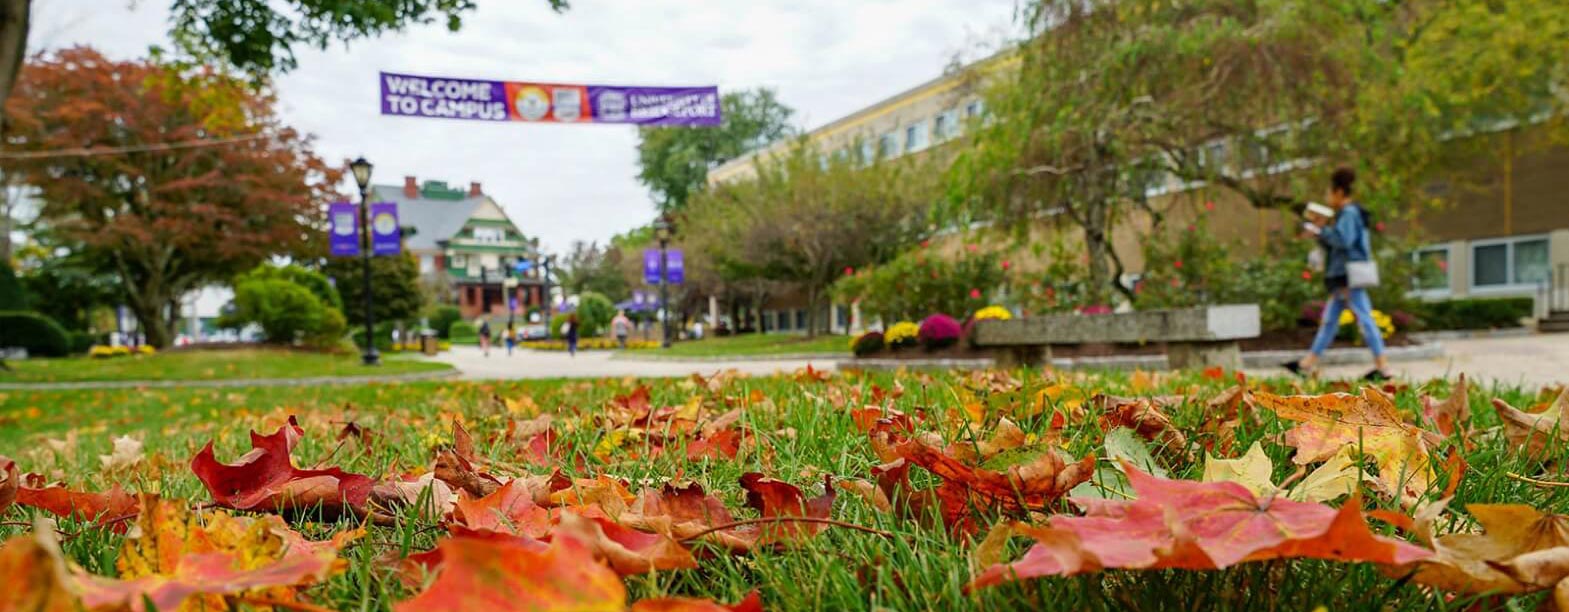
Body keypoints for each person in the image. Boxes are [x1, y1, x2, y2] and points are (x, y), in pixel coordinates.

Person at [1285, 167, 1391, 381]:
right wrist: (1322, 231)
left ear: (1339, 193)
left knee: (1363, 318)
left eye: (1329, 193)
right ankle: (1307, 363)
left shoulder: (1349, 213)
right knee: (1330, 320)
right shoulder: (1347, 214)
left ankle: (1384, 367)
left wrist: (1319, 230)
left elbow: (1344, 240)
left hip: (1347, 277)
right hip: (1342, 276)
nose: (1327, 198)